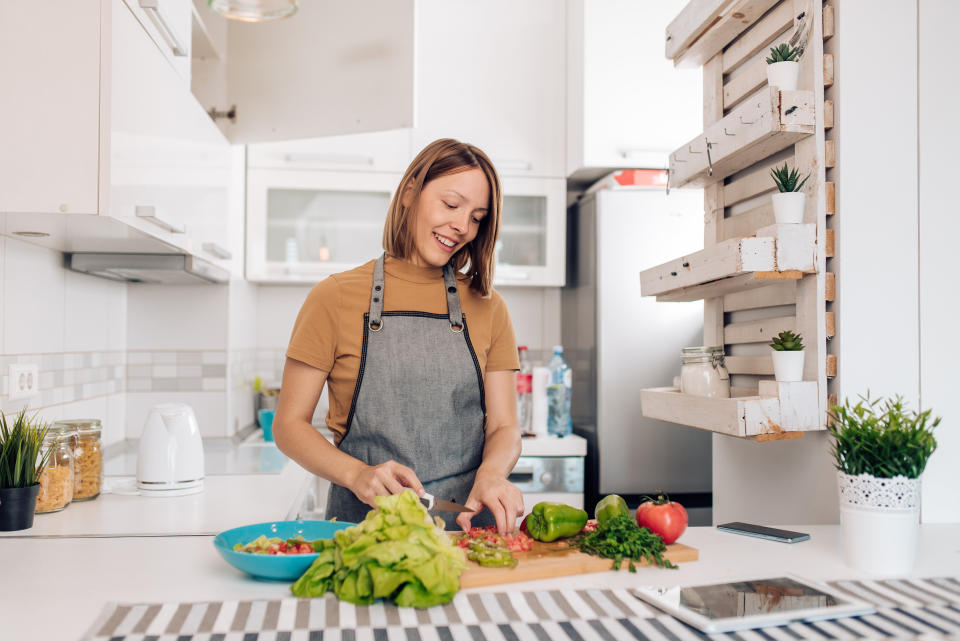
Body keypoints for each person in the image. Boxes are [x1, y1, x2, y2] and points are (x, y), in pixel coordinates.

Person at [274, 138, 524, 533]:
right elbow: (289, 425)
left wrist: (492, 474)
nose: (463, 227)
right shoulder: (334, 297)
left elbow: (504, 427)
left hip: (469, 531)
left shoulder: (488, 307)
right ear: (410, 192)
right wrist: (358, 475)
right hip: (364, 533)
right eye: (451, 205)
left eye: (477, 217)